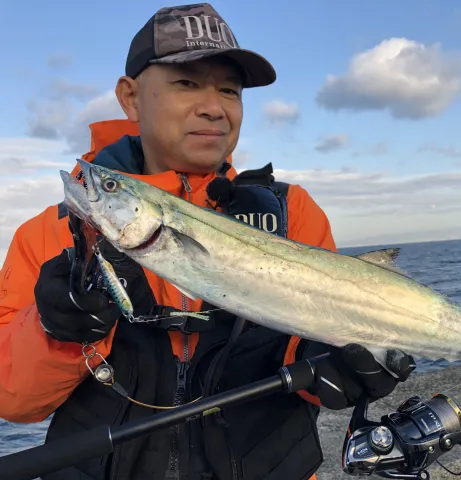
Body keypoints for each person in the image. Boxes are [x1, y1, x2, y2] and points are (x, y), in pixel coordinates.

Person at [0, 4, 415, 480]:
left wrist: (327, 365)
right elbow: (13, 400)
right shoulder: (50, 234)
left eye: (229, 90)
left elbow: (314, 343)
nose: (214, 107)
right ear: (130, 97)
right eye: (187, 83)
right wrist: (56, 331)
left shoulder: (290, 213)